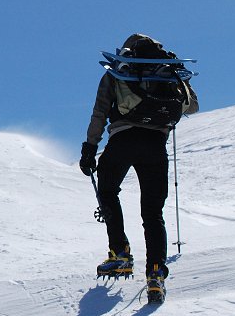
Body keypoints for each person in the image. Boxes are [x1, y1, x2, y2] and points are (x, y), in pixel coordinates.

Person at [79, 33, 199, 302]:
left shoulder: (118, 71)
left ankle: (120, 253)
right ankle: (155, 274)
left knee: (108, 191)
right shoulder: (168, 72)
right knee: (153, 213)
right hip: (155, 144)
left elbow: (99, 112)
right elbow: (191, 108)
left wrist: (89, 148)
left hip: (123, 140)